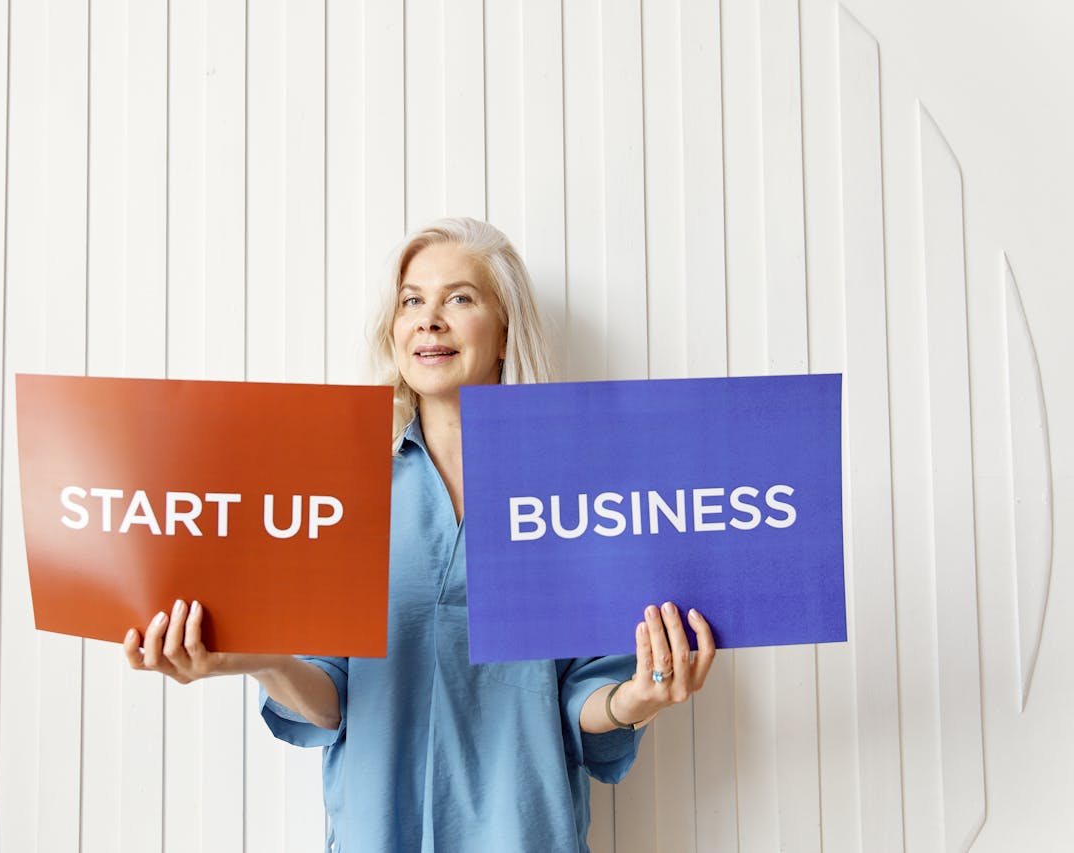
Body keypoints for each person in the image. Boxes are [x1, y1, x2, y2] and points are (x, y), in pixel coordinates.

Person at [124, 217, 716, 851]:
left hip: (525, 835)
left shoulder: (576, 496)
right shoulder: (341, 489)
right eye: (412, 301)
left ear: (505, 330)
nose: (429, 319)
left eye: (459, 298)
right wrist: (263, 659)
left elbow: (583, 703)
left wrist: (641, 696)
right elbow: (331, 703)